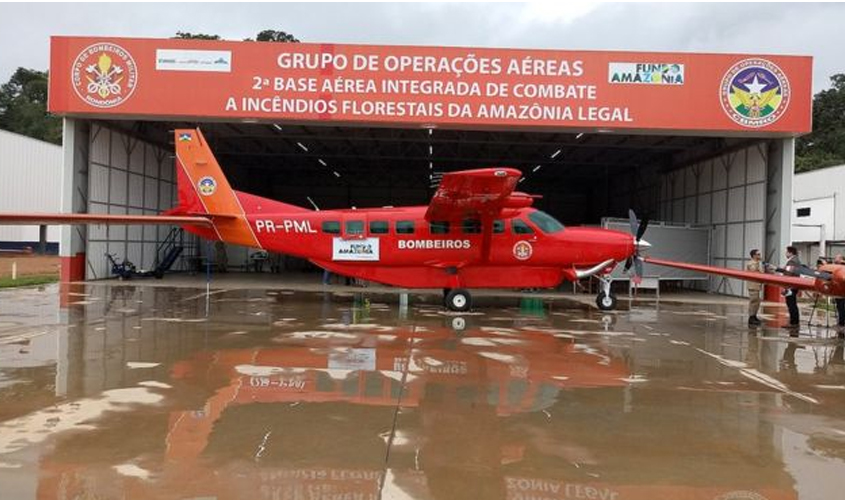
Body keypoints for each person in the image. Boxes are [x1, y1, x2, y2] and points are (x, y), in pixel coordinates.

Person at [781, 246, 802, 329]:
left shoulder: (792, 261)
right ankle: (794, 322)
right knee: (792, 304)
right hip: (793, 285)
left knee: (791, 304)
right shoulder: (795, 260)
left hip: (791, 286)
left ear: (790, 252)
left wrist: (785, 286)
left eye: (786, 252)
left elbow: (788, 274)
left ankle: (793, 323)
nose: (785, 254)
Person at [746, 249, 764, 326]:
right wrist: (758, 263)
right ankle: (751, 318)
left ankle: (754, 316)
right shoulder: (751, 263)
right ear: (754, 255)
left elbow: (762, 272)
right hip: (752, 285)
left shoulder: (758, 263)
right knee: (753, 301)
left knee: (757, 302)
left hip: (757, 285)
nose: (760, 256)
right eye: (758, 254)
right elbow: (754, 271)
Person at [834, 254, 845, 335]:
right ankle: (840, 322)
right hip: (838, 291)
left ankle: (841, 324)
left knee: (841, 308)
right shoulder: (836, 266)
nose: (835, 259)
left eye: (836, 257)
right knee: (839, 307)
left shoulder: (841, 267)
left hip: (842, 291)